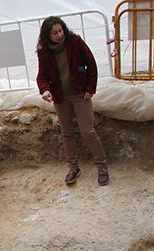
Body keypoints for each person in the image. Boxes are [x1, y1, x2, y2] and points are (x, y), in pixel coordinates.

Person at [36, 16, 109, 186]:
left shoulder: (75, 42)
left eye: (60, 30)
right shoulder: (44, 51)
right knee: (67, 133)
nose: (59, 35)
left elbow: (91, 64)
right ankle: (73, 167)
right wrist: (45, 89)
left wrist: (90, 89)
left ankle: (102, 166)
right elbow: (42, 75)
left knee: (88, 131)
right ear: (47, 35)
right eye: (54, 33)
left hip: (79, 94)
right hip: (61, 97)